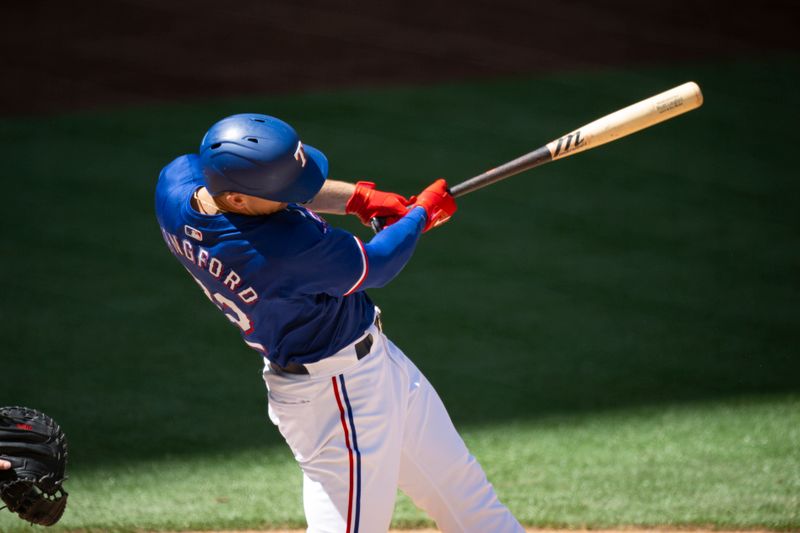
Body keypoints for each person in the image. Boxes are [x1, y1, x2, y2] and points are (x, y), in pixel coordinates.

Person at [155, 113, 523, 532]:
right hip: (338, 397)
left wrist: (361, 199)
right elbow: (379, 264)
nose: (293, 195)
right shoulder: (280, 251)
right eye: (282, 191)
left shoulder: (176, 187)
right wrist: (419, 216)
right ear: (238, 199)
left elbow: (285, 192)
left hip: (373, 366)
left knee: (465, 497)